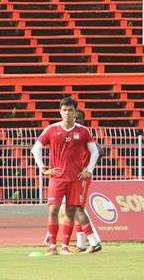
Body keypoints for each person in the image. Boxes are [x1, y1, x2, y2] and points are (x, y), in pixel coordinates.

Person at [31, 97, 99, 255]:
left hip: (75, 178)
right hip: (57, 178)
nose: (67, 113)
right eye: (64, 110)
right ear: (60, 112)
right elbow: (36, 148)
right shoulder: (52, 129)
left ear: (75, 112)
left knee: (70, 212)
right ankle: (52, 247)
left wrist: (89, 169)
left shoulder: (82, 131)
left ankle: (65, 247)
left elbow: (94, 151)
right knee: (53, 210)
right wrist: (43, 168)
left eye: (70, 110)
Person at [71, 108, 103, 253]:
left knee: (78, 208)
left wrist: (88, 168)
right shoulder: (73, 134)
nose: (76, 120)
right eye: (74, 118)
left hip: (82, 176)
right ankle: (81, 244)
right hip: (73, 176)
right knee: (75, 209)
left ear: (83, 121)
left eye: (79, 118)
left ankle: (93, 242)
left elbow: (100, 151)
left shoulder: (83, 134)